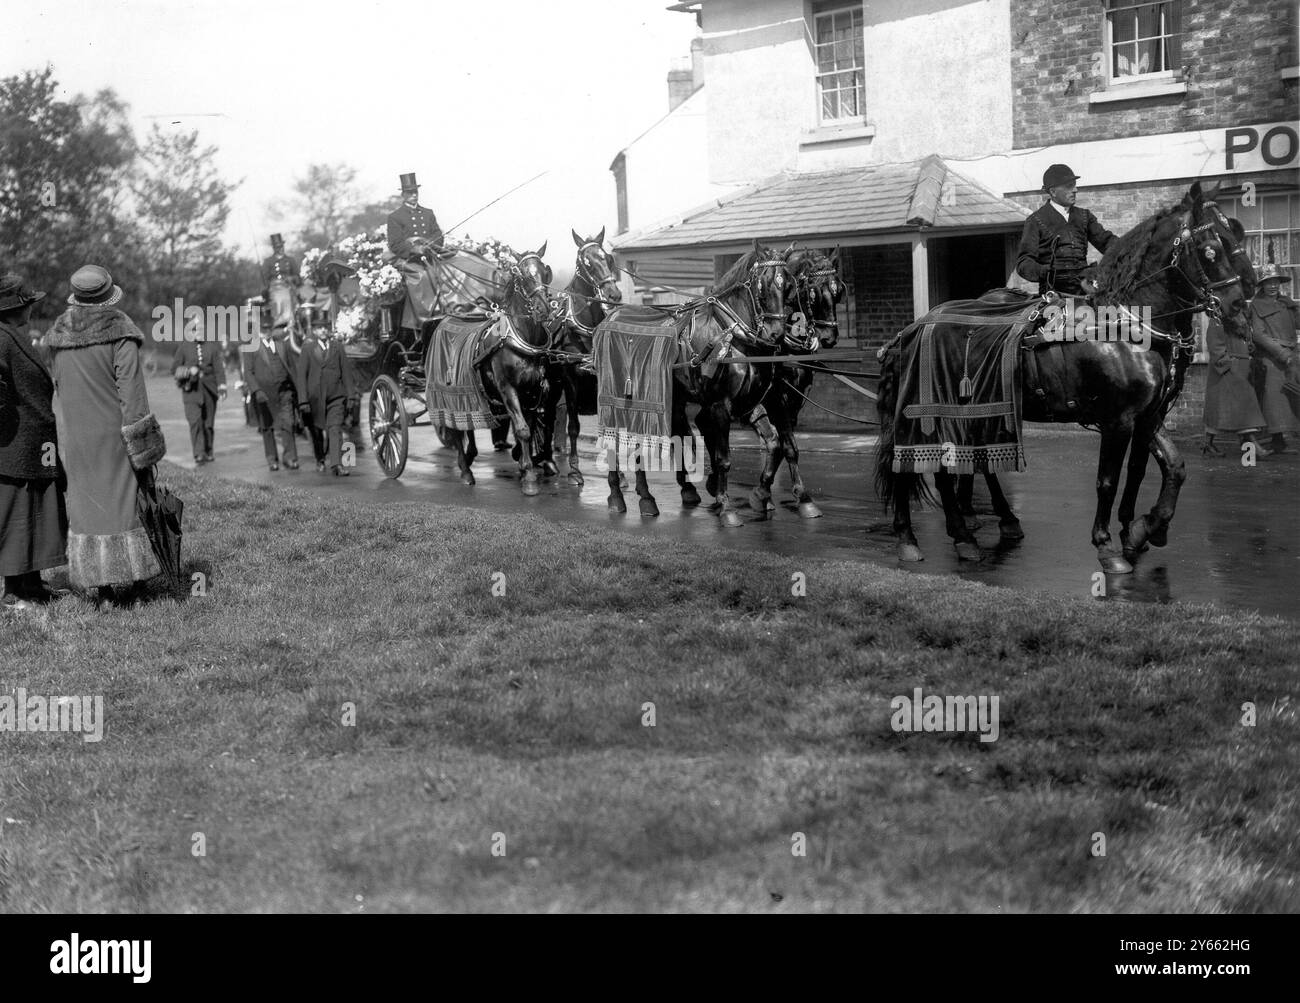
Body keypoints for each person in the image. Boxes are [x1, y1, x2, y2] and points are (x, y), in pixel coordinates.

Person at [44, 265, 166, 603]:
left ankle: (102, 586)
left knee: (88, 507)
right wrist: (144, 445)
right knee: (126, 503)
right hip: (115, 437)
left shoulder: (57, 339)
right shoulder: (120, 334)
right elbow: (133, 396)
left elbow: (60, 387)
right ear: (107, 295)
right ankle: (138, 580)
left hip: (79, 440)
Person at [0, 273, 68, 610]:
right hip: (14, 444)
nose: (32, 308)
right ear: (17, 307)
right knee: (16, 516)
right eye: (29, 303)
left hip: (37, 444)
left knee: (40, 511)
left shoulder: (17, 335)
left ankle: (34, 583)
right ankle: (13, 591)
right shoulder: (1, 338)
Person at [1016, 164, 1117, 297]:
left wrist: (1133, 247)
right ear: (1053, 192)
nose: (1075, 190)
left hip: (1085, 290)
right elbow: (1024, 262)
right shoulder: (1035, 220)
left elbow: (1106, 241)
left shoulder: (1084, 216)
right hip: (1053, 294)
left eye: (1075, 185)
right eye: (1069, 186)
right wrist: (1044, 271)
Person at [1248, 262, 1300, 453]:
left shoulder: (1285, 302)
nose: (1273, 286)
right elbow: (1259, 335)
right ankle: (1277, 439)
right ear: (1262, 284)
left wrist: (1294, 308)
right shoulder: (1256, 305)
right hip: (1271, 358)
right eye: (1268, 282)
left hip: (1291, 356)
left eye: (1276, 282)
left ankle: (1283, 439)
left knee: (1293, 397)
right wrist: (1282, 353)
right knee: (1274, 399)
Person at [295, 321, 357, 475]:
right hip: (314, 399)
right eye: (318, 328)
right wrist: (303, 400)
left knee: (335, 428)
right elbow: (301, 376)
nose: (322, 331)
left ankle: (337, 464)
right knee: (316, 431)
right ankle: (320, 458)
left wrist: (350, 396)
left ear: (329, 330)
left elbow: (346, 373)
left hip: (336, 396)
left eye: (325, 328)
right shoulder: (308, 348)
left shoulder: (337, 347)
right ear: (314, 331)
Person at [1201, 312, 1268, 457]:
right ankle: (1254, 447)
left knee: (1224, 409)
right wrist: (1228, 365)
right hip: (1226, 370)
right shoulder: (1217, 319)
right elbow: (1214, 346)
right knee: (1239, 407)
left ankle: (1208, 444)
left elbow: (1245, 339)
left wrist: (1249, 348)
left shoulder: (1241, 315)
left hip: (1241, 368)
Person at [386, 172, 444, 327]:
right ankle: (426, 319)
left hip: (430, 256)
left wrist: (428, 245)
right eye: (410, 193)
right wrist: (414, 250)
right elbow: (395, 244)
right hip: (408, 260)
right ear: (403, 195)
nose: (414, 195)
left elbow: (438, 234)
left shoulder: (428, 213)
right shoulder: (395, 217)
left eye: (415, 192)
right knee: (422, 276)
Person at [240, 321, 300, 471]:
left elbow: (292, 367)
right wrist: (257, 391)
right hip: (264, 395)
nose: (266, 331)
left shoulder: (282, 344)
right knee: (267, 427)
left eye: (268, 328)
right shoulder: (250, 347)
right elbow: (248, 372)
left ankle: (290, 458)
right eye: (262, 328)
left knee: (288, 423)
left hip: (284, 392)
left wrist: (297, 389)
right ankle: (272, 459)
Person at [173, 318, 228, 464]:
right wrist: (188, 371)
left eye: (201, 329)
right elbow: (174, 368)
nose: (199, 332)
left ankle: (209, 450)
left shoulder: (212, 347)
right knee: (195, 422)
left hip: (209, 391)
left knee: (208, 424)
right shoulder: (184, 347)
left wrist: (222, 386)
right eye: (195, 329)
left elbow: (219, 368)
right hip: (191, 390)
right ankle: (198, 453)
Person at [262, 233, 300, 332]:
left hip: (289, 286)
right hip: (274, 288)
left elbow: (297, 276)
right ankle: (278, 321)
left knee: (290, 296)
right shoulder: (268, 262)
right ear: (274, 248)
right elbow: (265, 279)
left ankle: (290, 320)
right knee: (277, 298)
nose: (281, 248)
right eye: (278, 247)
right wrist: (269, 287)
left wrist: (292, 278)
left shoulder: (290, 260)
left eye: (281, 246)